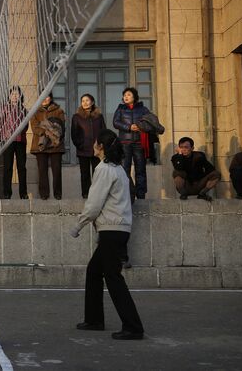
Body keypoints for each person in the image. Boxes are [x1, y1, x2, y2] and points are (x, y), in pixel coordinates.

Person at [69, 129, 144, 340]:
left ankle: (133, 326)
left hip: (112, 230)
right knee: (94, 271)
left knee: (113, 277)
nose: (93, 146)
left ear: (100, 147)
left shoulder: (104, 169)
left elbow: (93, 204)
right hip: (118, 229)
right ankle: (94, 319)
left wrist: (78, 226)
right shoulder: (119, 168)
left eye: (95, 143)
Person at [113, 87, 150, 199]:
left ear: (134, 97)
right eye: (124, 95)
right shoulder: (120, 109)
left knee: (141, 169)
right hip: (125, 142)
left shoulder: (143, 109)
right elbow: (115, 122)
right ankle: (128, 193)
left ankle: (141, 195)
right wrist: (129, 127)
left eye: (128, 95)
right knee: (125, 169)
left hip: (139, 143)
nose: (126, 97)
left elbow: (150, 122)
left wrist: (140, 126)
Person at [30, 93, 66, 200]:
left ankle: (58, 194)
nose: (45, 99)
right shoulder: (35, 111)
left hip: (55, 145)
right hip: (40, 145)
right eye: (42, 97)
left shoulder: (59, 110)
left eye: (47, 97)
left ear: (50, 98)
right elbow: (35, 127)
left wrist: (51, 131)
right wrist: (47, 131)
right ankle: (44, 195)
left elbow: (61, 126)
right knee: (42, 171)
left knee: (57, 170)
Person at [71, 93, 106, 199]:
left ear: (92, 102)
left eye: (87, 100)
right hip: (83, 149)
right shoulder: (77, 117)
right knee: (84, 174)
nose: (85, 103)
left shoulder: (99, 116)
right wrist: (80, 144)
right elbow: (74, 133)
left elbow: (104, 131)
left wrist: (101, 144)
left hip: (97, 150)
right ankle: (85, 194)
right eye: (83, 101)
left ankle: (96, 195)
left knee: (97, 173)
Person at [171, 137, 220, 201]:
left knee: (216, 174)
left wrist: (201, 161)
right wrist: (180, 155)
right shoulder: (176, 157)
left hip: (199, 184)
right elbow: (178, 168)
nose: (183, 149)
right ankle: (183, 194)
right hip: (186, 186)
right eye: (181, 147)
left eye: (186, 147)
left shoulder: (199, 155)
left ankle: (202, 194)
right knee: (176, 173)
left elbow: (211, 169)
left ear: (192, 148)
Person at [1, 86, 28, 199]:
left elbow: (26, 125)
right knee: (8, 167)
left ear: (20, 96)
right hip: (8, 142)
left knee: (21, 168)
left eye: (17, 94)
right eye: (13, 94)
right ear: (9, 96)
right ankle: (7, 193)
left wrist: (19, 132)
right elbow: (0, 124)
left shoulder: (24, 110)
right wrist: (5, 134)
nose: (15, 96)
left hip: (20, 141)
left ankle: (23, 193)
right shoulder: (4, 109)